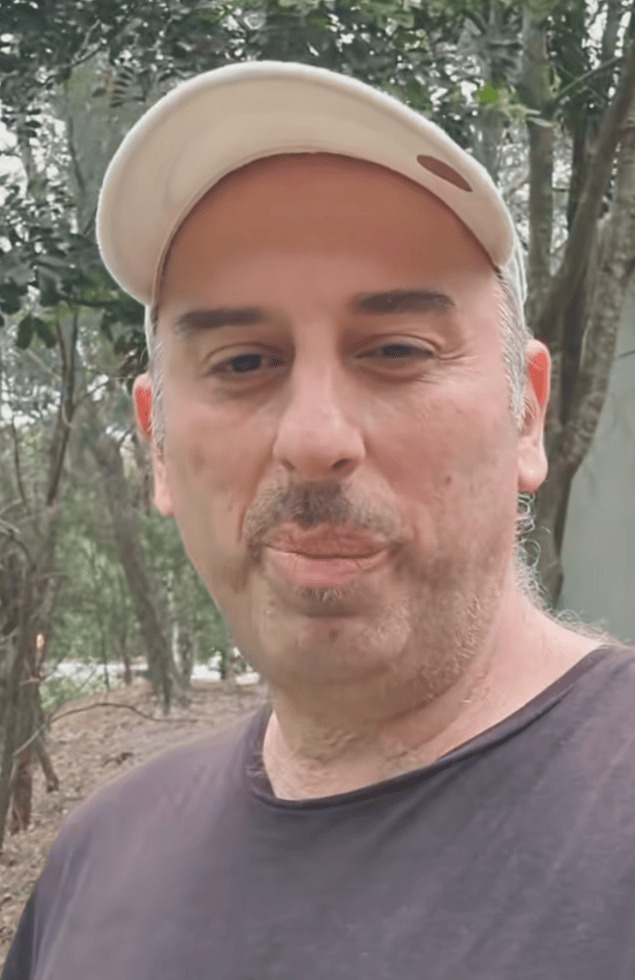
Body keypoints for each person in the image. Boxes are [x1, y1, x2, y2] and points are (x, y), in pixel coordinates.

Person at [3, 61, 634, 980]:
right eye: (243, 362)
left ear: (525, 414)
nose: (313, 438)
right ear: (160, 447)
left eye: (394, 350)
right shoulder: (99, 862)